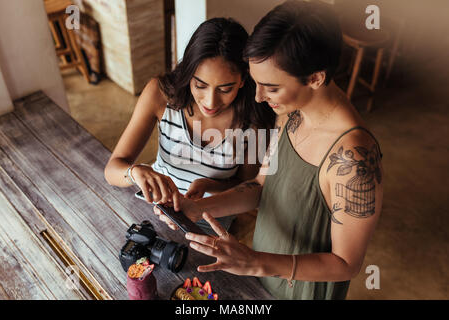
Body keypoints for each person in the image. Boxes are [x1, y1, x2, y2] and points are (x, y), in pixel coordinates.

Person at [155, 0, 384, 300]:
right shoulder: (290, 113)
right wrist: (198, 209)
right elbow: (262, 186)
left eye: (271, 87)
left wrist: (254, 263)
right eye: (256, 83)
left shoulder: (353, 158)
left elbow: (346, 264)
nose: (259, 97)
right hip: (261, 272)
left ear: (316, 77)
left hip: (302, 290)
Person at [104, 18, 275, 232]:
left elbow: (248, 186)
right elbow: (112, 169)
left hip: (210, 216)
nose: (210, 102)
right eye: (200, 85)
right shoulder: (161, 94)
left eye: (225, 89)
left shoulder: (255, 120)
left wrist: (209, 186)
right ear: (188, 73)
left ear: (243, 79)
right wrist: (134, 172)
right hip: (153, 208)